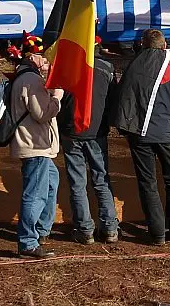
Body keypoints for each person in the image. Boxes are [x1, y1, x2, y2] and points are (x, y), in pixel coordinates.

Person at [112, 29, 170, 245]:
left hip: (139, 134)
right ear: (164, 45)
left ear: (143, 45)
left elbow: (122, 98)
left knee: (147, 182)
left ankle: (157, 233)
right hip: (166, 134)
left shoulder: (133, 66)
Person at [10, 34, 64, 258]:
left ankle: (40, 231)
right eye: (43, 57)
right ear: (33, 56)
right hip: (35, 145)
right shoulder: (31, 80)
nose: (46, 62)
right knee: (35, 194)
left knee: (51, 182)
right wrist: (57, 98)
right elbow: (42, 114)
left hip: (37, 144)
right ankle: (28, 241)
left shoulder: (25, 76)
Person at [57, 51, 119, 245]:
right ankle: (109, 227)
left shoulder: (66, 67)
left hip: (73, 131)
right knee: (101, 179)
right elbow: (113, 101)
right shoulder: (106, 68)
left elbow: (58, 100)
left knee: (78, 182)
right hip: (96, 131)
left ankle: (85, 229)